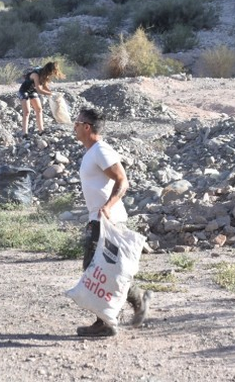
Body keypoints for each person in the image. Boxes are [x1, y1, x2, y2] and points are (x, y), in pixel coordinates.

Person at [73, 107, 150, 337]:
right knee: (104, 269)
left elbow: (122, 181)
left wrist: (107, 207)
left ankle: (105, 322)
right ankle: (136, 304)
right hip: (98, 219)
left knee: (98, 269)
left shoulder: (101, 151)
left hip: (108, 220)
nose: (74, 127)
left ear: (87, 127)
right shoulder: (92, 152)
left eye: (77, 123)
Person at [18, 61, 63, 138]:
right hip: (24, 91)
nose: (51, 75)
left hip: (32, 91)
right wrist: (50, 94)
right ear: (48, 71)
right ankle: (24, 134)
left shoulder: (44, 75)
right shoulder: (36, 74)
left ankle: (41, 131)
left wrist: (53, 93)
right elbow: (39, 89)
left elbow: (44, 86)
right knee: (27, 112)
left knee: (39, 110)